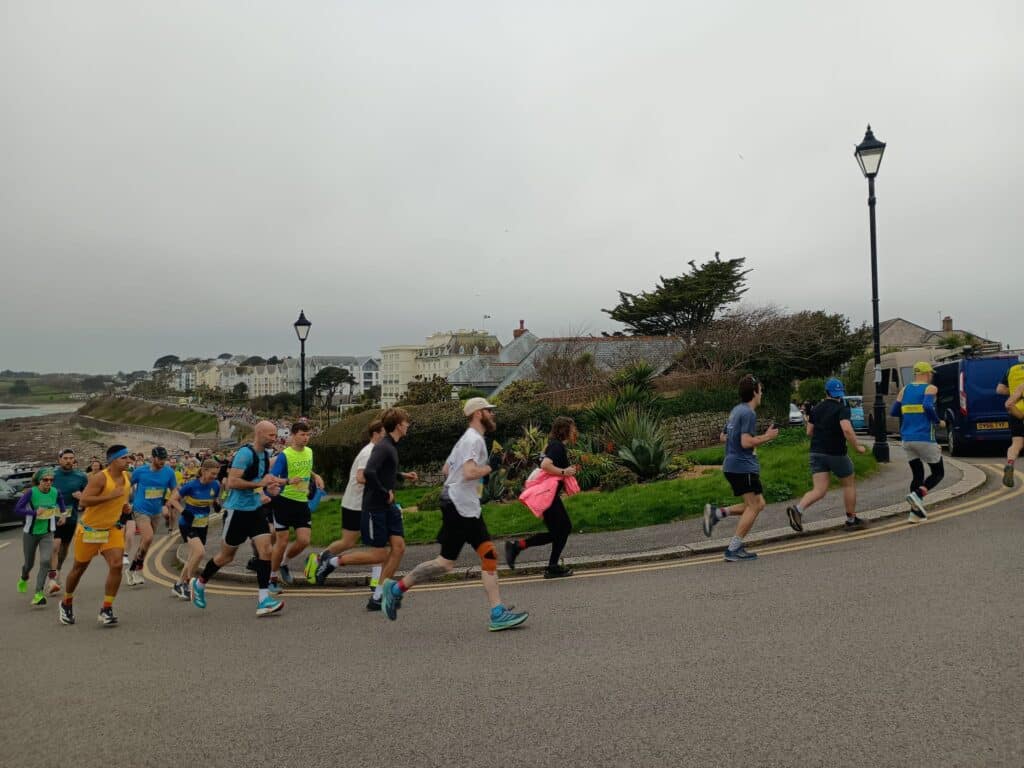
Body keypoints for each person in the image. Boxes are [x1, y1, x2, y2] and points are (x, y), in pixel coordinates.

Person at [378, 398, 528, 631]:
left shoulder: (465, 440)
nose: (492, 414)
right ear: (479, 414)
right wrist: (489, 468)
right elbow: (468, 472)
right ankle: (497, 613)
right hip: (461, 506)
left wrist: (479, 478)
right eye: (489, 411)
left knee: (448, 563)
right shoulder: (473, 439)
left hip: (459, 504)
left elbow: (447, 469)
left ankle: (396, 589)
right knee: (477, 557)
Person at [313, 409, 416, 600]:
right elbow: (368, 473)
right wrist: (385, 492)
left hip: (387, 507)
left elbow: (382, 471)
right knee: (378, 555)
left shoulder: (390, 446)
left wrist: (402, 476)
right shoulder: (382, 447)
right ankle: (331, 562)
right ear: (399, 425)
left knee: (399, 547)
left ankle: (378, 597)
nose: (408, 425)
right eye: (406, 422)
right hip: (373, 507)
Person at [190, 421, 285, 617]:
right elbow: (233, 482)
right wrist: (259, 484)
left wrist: (269, 488)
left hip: (255, 509)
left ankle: (263, 599)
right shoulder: (244, 454)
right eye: (271, 435)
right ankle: (199, 583)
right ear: (259, 434)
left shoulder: (265, 455)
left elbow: (259, 480)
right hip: (237, 511)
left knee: (265, 550)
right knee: (227, 556)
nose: (274, 439)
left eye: (275, 435)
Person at [306, 418, 385, 609]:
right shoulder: (369, 452)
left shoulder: (375, 451)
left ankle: (319, 560)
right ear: (376, 434)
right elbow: (360, 477)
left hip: (358, 504)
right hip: (359, 505)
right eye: (385, 432)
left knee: (354, 542)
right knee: (377, 544)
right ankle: (325, 561)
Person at [702, 375, 779, 561]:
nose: (762, 394)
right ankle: (733, 549)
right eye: (760, 390)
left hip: (732, 465)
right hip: (742, 467)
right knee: (754, 506)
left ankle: (717, 513)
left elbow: (724, 436)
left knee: (758, 504)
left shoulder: (736, 411)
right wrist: (767, 437)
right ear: (754, 392)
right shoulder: (748, 413)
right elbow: (745, 442)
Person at [61, 445, 133, 627]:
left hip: (111, 529)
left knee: (117, 564)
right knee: (79, 569)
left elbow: (122, 497)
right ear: (114, 460)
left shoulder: (127, 477)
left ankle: (106, 609)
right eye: (124, 458)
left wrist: (124, 506)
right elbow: (84, 500)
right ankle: (66, 602)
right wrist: (110, 497)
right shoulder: (101, 478)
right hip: (90, 531)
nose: (128, 460)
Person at [786, 378, 868, 532]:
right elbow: (847, 429)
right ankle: (851, 520)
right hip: (836, 452)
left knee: (819, 490)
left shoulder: (816, 408)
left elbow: (809, 431)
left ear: (826, 392)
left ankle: (798, 509)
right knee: (848, 483)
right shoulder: (842, 408)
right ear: (840, 393)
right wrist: (857, 447)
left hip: (816, 452)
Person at [505, 416, 579, 578]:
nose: (575, 431)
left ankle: (522, 549)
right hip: (548, 498)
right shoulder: (557, 446)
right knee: (563, 529)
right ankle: (546, 562)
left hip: (549, 496)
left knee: (559, 531)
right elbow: (545, 465)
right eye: (572, 429)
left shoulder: (554, 445)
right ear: (564, 430)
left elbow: (541, 461)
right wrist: (564, 472)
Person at [267, 422, 324, 592]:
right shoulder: (285, 455)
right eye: (302, 435)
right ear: (293, 435)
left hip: (301, 501)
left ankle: (284, 563)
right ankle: (272, 578)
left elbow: (306, 468)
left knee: (304, 540)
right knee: (282, 542)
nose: (305, 438)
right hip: (284, 501)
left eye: (308, 435)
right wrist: (287, 481)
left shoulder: (309, 452)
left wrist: (316, 476)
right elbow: (272, 477)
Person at [890, 362, 945, 522]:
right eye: (931, 374)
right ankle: (918, 495)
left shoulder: (904, 390)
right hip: (924, 438)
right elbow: (928, 406)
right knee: (938, 473)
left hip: (907, 439)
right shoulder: (930, 388)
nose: (931, 376)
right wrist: (937, 421)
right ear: (927, 374)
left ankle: (914, 514)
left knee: (918, 476)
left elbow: (894, 411)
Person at [167, 459, 221, 600]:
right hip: (187, 524)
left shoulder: (215, 485)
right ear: (203, 471)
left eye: (216, 474)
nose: (214, 477)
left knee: (193, 556)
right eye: (212, 474)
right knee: (200, 552)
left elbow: (214, 498)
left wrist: (216, 505)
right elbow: (172, 500)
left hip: (203, 524)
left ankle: (178, 585)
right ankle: (188, 582)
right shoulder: (191, 486)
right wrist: (183, 511)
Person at [125, 447, 178, 586]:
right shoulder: (140, 471)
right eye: (160, 459)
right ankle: (137, 570)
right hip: (140, 509)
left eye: (164, 459)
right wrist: (127, 502)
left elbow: (175, 490)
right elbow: (126, 486)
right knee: (148, 538)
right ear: (153, 458)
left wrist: (168, 503)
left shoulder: (169, 472)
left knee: (146, 542)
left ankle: (133, 570)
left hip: (156, 511)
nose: (162, 461)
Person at [15, 469, 66, 607]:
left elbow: (62, 505)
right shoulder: (31, 492)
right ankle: (24, 577)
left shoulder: (55, 492)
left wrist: (63, 515)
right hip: (30, 533)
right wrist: (33, 512)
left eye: (51, 480)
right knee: (29, 564)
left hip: (47, 533)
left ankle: (38, 594)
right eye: (45, 480)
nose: (48, 482)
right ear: (39, 480)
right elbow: (17, 509)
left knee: (45, 561)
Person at [50, 448, 89, 590]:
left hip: (70, 518)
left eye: (71, 458)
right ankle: (52, 579)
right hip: (52, 516)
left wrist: (82, 497)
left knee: (64, 547)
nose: (68, 461)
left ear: (74, 460)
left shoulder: (81, 476)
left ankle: (58, 571)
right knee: (55, 545)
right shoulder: (52, 475)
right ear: (59, 460)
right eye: (65, 458)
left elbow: (88, 498)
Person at [996, 357, 1024, 488]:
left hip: (1016, 410)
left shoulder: (1011, 370)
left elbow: (1000, 390)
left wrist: (1014, 393)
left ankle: (1010, 463)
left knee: (1016, 444)